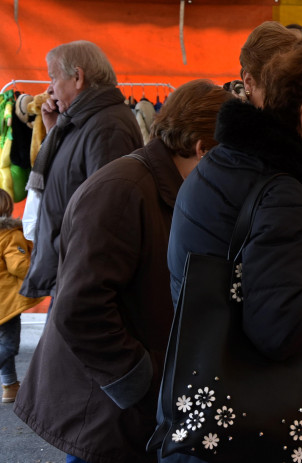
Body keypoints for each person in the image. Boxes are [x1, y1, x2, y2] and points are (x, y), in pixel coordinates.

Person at [165, 32, 302, 462]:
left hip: (208, 411)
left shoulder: (227, 159)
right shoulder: (280, 190)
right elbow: (282, 330)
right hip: (251, 431)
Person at [13, 80, 233, 463]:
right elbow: (81, 309)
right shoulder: (123, 190)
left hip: (130, 403)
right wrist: (141, 382)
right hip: (103, 407)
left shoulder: (169, 186)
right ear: (203, 149)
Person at [20, 40, 143, 303]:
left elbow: (106, 215)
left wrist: (78, 274)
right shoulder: (84, 122)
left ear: (78, 77)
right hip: (72, 272)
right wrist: (54, 129)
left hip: (82, 280)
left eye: (53, 77)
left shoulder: (107, 127)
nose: (50, 88)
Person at [0, 189, 44, 404]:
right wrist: (39, 271)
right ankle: (10, 385)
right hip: (5, 304)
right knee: (9, 346)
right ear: (7, 208)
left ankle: (10, 386)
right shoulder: (10, 235)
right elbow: (18, 266)